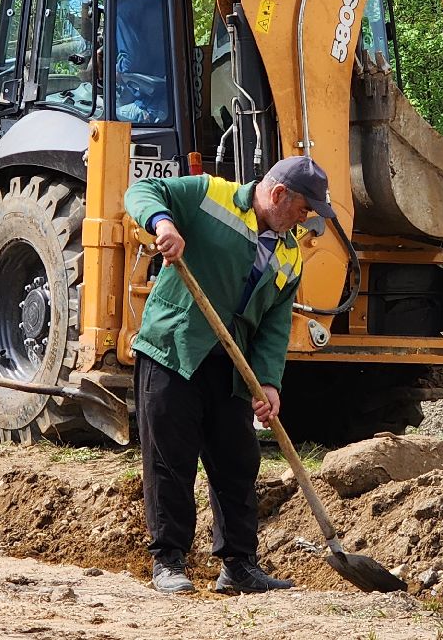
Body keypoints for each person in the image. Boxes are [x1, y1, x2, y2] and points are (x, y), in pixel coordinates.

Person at [126, 155, 333, 595]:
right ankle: (169, 561)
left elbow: (275, 326)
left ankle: (239, 565)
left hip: (231, 366)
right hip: (174, 349)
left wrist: (269, 382)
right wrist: (164, 224)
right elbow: (142, 191)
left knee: (238, 461)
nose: (306, 219)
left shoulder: (290, 256)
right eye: (304, 208)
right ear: (279, 194)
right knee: (170, 459)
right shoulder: (211, 195)